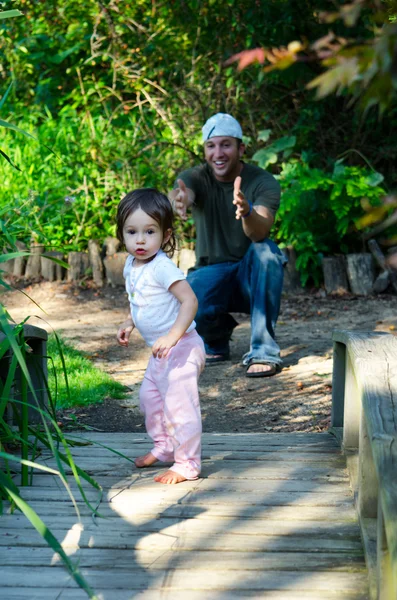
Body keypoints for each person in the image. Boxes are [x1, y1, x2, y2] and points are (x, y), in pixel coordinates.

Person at [169, 113, 286, 378]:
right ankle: (216, 338)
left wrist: (246, 211)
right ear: (204, 150)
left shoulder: (262, 181)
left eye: (226, 145)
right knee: (189, 289)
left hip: (251, 276)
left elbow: (260, 232)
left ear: (241, 148)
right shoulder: (196, 177)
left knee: (267, 252)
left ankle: (264, 351)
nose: (218, 153)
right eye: (211, 146)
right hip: (213, 273)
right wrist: (179, 201)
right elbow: (182, 193)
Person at [116, 188, 205, 484]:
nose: (140, 240)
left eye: (149, 231)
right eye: (132, 231)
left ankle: (188, 463)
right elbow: (140, 299)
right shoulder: (131, 265)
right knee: (150, 399)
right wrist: (130, 322)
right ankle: (165, 447)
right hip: (161, 353)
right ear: (123, 234)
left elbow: (190, 301)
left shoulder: (163, 267)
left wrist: (173, 336)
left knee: (179, 406)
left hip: (182, 348)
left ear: (166, 236)